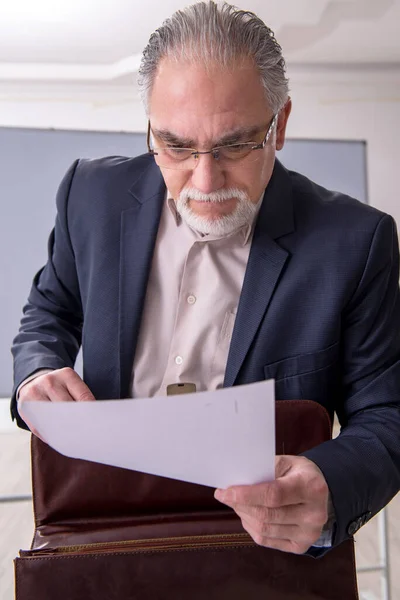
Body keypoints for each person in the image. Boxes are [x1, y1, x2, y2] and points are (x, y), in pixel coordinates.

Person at [11, 1, 400, 559]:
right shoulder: (88, 196)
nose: (205, 180)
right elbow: (49, 311)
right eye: (175, 145)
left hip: (268, 566)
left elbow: (387, 412)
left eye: (235, 144)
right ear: (150, 126)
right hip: (104, 550)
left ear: (280, 124)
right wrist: (38, 374)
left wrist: (329, 486)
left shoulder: (356, 243)